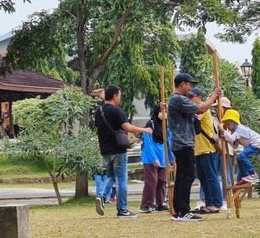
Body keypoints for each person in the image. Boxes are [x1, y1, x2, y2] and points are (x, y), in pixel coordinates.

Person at [167, 73, 221, 222]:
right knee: (187, 176)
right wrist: (214, 95)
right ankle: (183, 211)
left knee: (182, 177)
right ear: (182, 83)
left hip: (181, 143)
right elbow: (201, 109)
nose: (190, 88)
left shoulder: (176, 100)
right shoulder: (178, 99)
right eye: (189, 84)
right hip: (184, 143)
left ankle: (179, 210)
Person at [94, 85, 153, 218]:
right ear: (114, 96)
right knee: (121, 180)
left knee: (109, 176)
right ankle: (122, 209)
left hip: (105, 150)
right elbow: (127, 127)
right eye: (119, 95)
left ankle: (102, 196)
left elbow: (97, 130)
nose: (120, 98)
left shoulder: (99, 111)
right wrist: (145, 130)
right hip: (118, 150)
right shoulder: (117, 111)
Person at [189, 88, 223, 214]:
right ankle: (209, 203)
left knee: (211, 177)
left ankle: (216, 203)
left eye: (191, 97)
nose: (189, 99)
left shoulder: (201, 108)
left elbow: (198, 114)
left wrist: (214, 97)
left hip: (207, 148)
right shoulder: (195, 108)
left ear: (199, 97)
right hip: (198, 149)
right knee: (204, 178)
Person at [218, 109, 260, 185]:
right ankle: (245, 176)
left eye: (228, 124)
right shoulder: (235, 131)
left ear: (234, 122)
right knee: (238, 157)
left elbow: (231, 138)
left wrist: (222, 130)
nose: (228, 127)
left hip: (257, 143)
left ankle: (253, 174)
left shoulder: (240, 128)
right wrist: (226, 138)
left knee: (241, 156)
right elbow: (235, 145)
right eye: (226, 125)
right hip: (254, 144)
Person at [139, 104, 173, 213]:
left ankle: (160, 203)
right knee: (152, 181)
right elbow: (147, 143)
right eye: (162, 110)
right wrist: (154, 159)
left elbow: (168, 142)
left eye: (166, 110)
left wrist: (171, 159)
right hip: (150, 157)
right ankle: (146, 204)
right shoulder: (150, 124)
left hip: (162, 156)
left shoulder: (165, 126)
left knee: (162, 181)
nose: (164, 113)